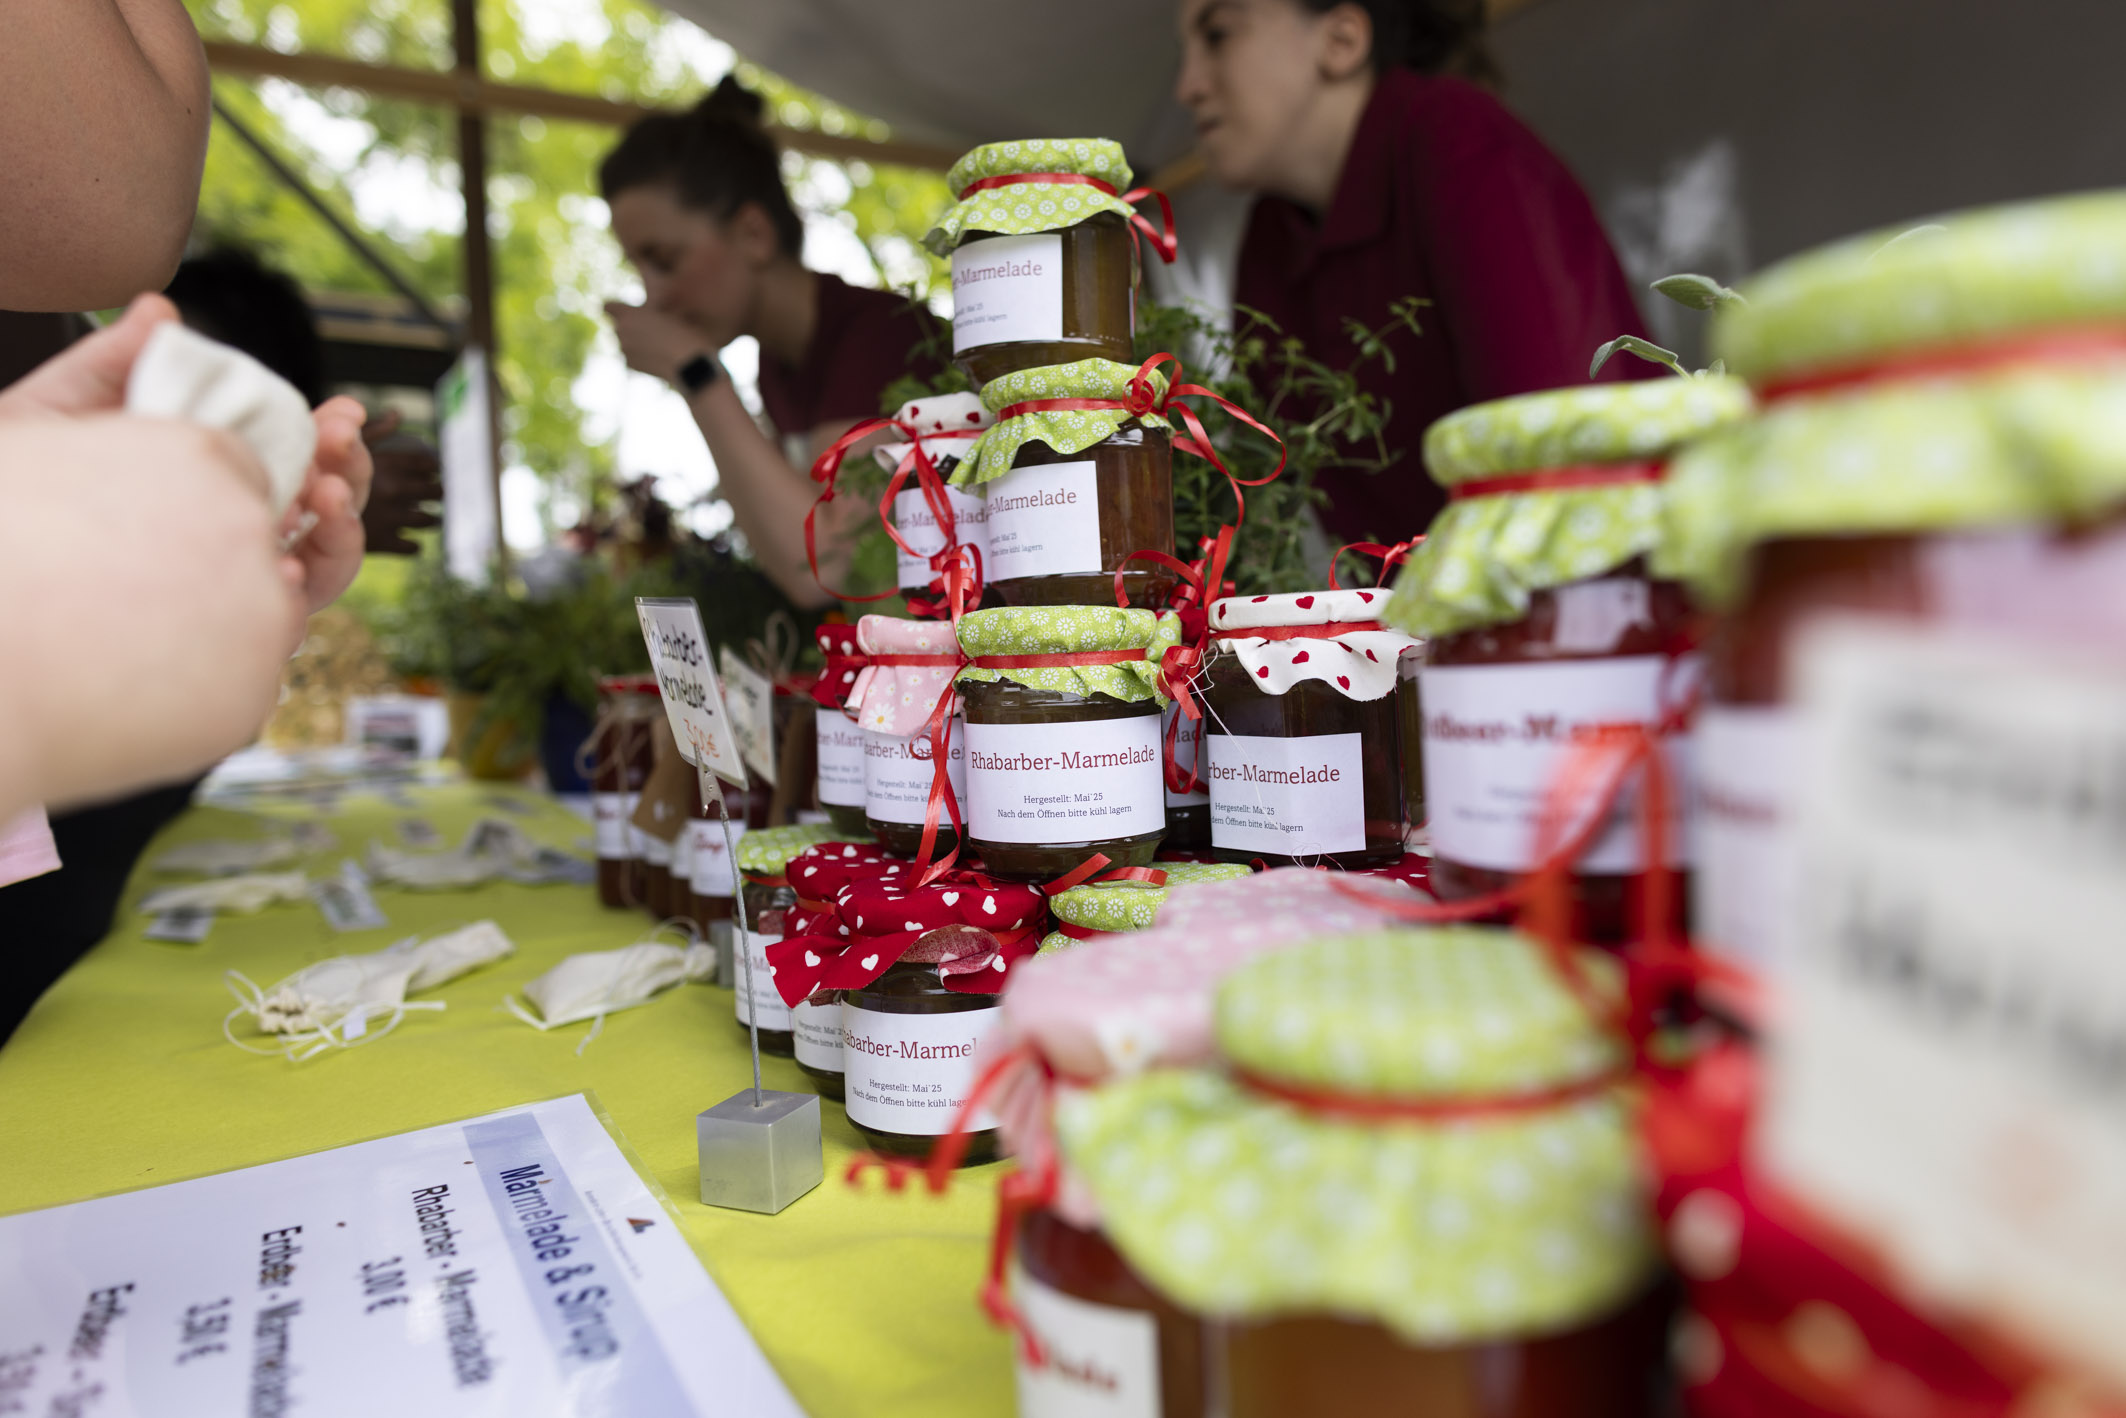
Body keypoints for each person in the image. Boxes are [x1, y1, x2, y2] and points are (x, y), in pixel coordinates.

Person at [1176, 0, 1654, 545]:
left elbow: (1568, 468)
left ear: (1341, 41)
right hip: (1440, 616)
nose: (1187, 86)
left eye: (1216, 35)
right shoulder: (1268, 243)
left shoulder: (1459, 143)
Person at [599, 76, 943, 607]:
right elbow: (788, 558)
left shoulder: (880, 334)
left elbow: (830, 568)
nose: (654, 295)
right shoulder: (777, 366)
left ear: (754, 233)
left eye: (664, 260)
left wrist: (698, 375)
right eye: (640, 268)